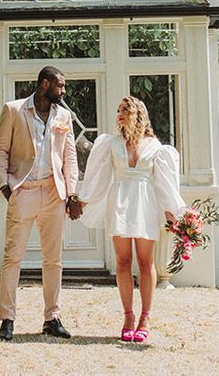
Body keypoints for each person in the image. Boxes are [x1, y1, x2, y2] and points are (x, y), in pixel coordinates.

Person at [78, 96, 186, 344]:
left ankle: (145, 318)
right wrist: (83, 200)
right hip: (120, 204)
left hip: (145, 204)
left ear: (137, 113)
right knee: (123, 261)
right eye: (118, 110)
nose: (119, 114)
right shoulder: (112, 144)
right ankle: (128, 316)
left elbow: (163, 183)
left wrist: (172, 213)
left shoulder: (156, 147)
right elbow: (101, 178)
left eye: (124, 110)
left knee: (146, 261)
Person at [0, 66, 80, 341]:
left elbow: (70, 157)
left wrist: (71, 192)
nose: (63, 91)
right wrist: (6, 188)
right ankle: (7, 319)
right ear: (45, 85)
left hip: (54, 193)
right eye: (60, 86)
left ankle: (52, 318)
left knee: (53, 260)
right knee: (13, 258)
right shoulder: (14, 110)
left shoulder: (63, 115)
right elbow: (0, 150)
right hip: (23, 192)